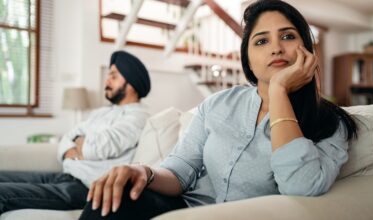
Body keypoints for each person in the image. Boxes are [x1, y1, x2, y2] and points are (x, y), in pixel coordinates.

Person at [79, 1, 358, 219]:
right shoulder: (217, 103)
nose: (275, 48)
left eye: (287, 36)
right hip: (182, 208)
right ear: (247, 58)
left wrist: (279, 90)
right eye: (261, 41)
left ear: (306, 49)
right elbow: (182, 170)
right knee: (110, 201)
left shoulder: (330, 123)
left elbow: (301, 186)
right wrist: (143, 171)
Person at [0, 50, 151, 214]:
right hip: (65, 175)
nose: (106, 81)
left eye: (113, 76)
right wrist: (77, 144)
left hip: (85, 187)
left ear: (132, 84)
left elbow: (96, 148)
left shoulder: (138, 116)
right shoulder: (101, 112)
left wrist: (79, 142)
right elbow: (67, 138)